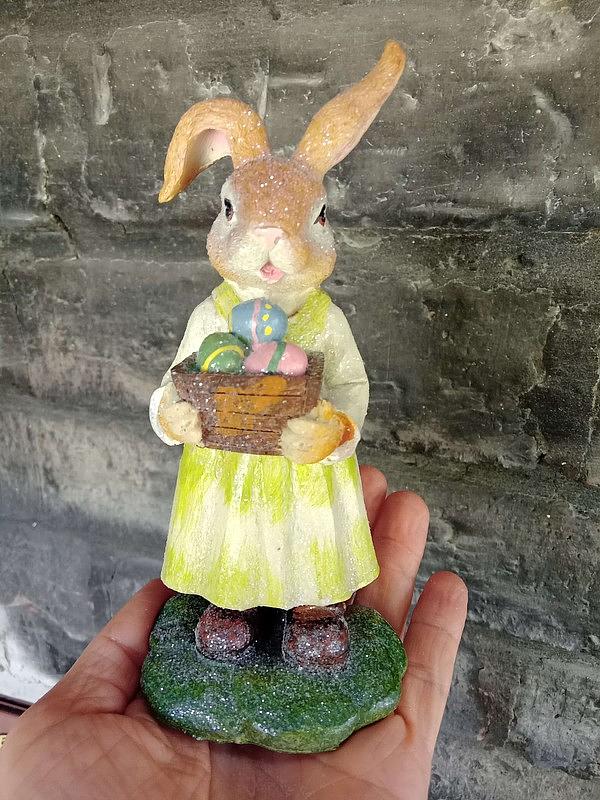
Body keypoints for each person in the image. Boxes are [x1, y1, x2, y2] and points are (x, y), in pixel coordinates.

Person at [0, 466, 467, 800]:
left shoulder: (320, 350)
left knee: (314, 542)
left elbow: (346, 386)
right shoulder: (214, 345)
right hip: (231, 468)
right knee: (235, 545)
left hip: (308, 467)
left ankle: (315, 613)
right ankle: (232, 608)